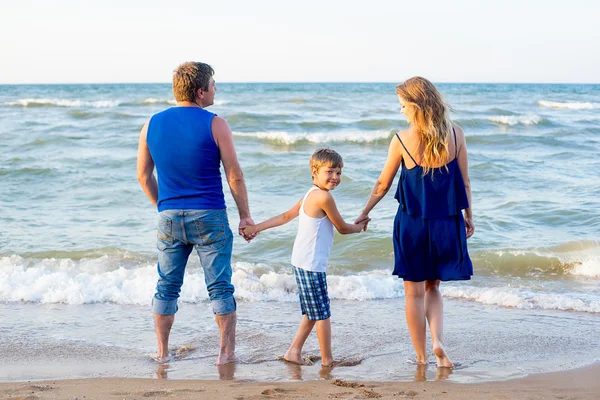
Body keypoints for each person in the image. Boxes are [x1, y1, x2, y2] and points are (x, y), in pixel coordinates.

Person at [137, 61, 255, 365]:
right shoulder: (215, 123)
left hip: (169, 216)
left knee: (166, 286)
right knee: (219, 286)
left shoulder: (151, 124)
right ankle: (225, 354)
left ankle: (162, 353)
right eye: (214, 84)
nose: (216, 89)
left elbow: (142, 175)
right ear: (200, 91)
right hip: (209, 215)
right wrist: (245, 216)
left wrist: (164, 207)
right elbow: (234, 175)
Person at [355, 77, 474, 368]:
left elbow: (382, 184)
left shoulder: (401, 140)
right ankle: (437, 341)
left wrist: (364, 212)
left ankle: (421, 357)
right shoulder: (456, 135)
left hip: (412, 225)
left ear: (417, 105)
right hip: (447, 223)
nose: (402, 112)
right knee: (434, 287)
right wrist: (470, 217)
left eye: (404, 106)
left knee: (413, 292)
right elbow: (466, 182)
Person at [242, 148, 368, 367]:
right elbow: (342, 228)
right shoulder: (323, 197)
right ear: (315, 171)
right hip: (311, 264)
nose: (335, 177)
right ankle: (328, 360)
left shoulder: (311, 193)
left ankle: (294, 351)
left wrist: (256, 228)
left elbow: (284, 217)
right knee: (322, 313)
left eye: (339, 173)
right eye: (330, 172)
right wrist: (359, 228)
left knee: (313, 310)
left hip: (301, 261)